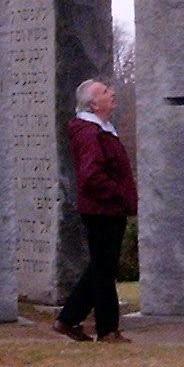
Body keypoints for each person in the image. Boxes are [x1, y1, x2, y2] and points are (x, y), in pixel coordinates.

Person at [54, 79, 139, 344]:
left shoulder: (101, 129)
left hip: (108, 209)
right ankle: (107, 330)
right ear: (94, 104)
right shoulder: (90, 133)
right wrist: (119, 194)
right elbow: (91, 176)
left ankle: (68, 319)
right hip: (103, 210)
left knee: (101, 268)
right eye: (105, 92)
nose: (112, 93)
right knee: (103, 271)